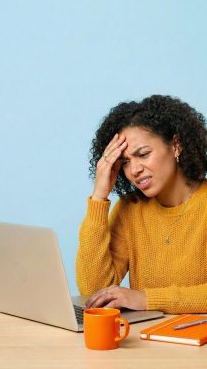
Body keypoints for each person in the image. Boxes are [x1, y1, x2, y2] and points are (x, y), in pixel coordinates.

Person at [76, 94, 207, 314]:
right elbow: (94, 292)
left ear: (176, 146)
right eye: (125, 162)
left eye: (143, 154)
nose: (134, 170)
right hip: (145, 341)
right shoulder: (130, 209)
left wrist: (147, 299)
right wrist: (99, 196)